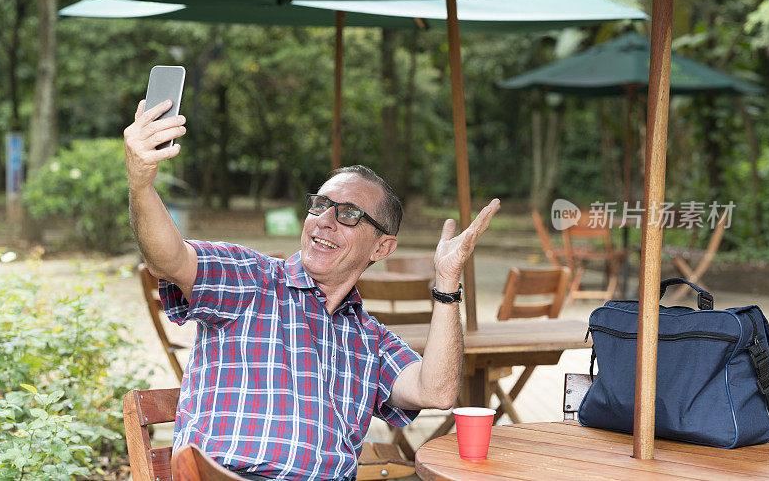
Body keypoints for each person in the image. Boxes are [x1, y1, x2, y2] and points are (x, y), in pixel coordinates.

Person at [124, 99, 500, 480]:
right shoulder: (250, 278)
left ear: (381, 247)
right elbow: (167, 259)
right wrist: (141, 183)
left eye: (348, 213)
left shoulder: (369, 339)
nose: (324, 221)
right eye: (320, 205)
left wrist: (448, 282)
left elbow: (436, 392)